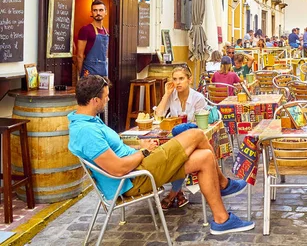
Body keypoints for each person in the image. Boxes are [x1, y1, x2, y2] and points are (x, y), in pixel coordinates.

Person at [68, 75, 254, 235]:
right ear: (94, 100)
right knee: (196, 134)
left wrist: (139, 148)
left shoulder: (88, 122)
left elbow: (114, 155)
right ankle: (223, 184)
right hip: (135, 178)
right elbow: (118, 169)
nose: (108, 100)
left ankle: (221, 220)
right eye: (106, 97)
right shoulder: (87, 131)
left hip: (139, 169)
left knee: (205, 157)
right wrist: (143, 151)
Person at [154, 66, 208, 209]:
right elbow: (159, 114)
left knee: (180, 157)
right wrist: (166, 94)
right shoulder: (172, 96)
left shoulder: (198, 98)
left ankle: (172, 193)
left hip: (193, 140)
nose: (178, 82)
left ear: (189, 80)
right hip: (174, 140)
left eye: (181, 79)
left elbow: (200, 125)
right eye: (175, 79)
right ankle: (178, 193)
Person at [76, 0, 109, 78]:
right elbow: (79, 55)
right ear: (91, 13)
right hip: (89, 70)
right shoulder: (85, 29)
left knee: (104, 90)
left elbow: (105, 53)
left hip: (103, 70)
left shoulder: (106, 31)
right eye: (95, 10)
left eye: (101, 10)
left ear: (105, 12)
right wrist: (82, 74)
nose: (98, 13)